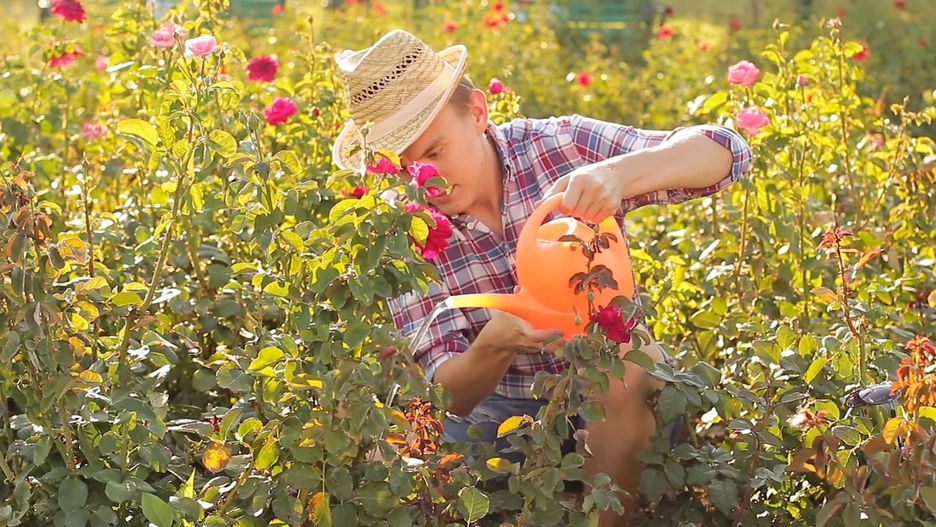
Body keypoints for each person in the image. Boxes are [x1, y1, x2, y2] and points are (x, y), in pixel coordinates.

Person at [331, 29, 753, 525]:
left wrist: (618, 175)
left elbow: (728, 151)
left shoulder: (556, 146)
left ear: (478, 114)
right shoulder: (400, 228)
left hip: (618, 386)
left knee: (623, 354)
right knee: (400, 461)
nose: (428, 179)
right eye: (407, 166)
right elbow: (448, 392)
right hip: (502, 414)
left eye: (436, 150)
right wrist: (495, 344)